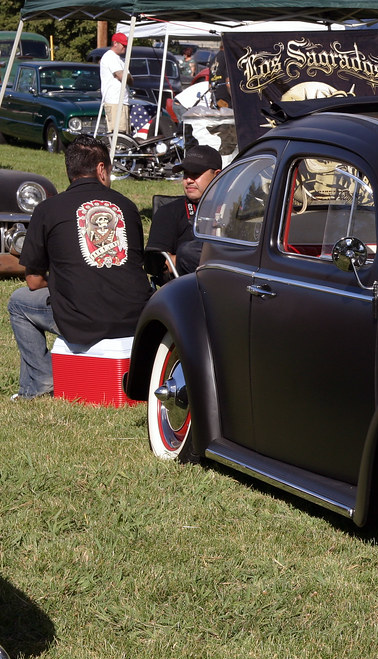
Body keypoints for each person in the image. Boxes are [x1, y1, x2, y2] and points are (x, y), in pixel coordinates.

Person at [7, 135, 151, 401]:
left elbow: (33, 282)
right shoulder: (128, 207)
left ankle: (38, 386)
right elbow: (132, 265)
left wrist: (63, 280)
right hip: (136, 317)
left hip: (85, 320)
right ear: (100, 169)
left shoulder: (48, 209)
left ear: (69, 170)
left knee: (18, 302)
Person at [146, 145, 222, 279]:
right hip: (186, 288)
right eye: (186, 174)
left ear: (217, 175)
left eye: (196, 174)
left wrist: (177, 259)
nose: (189, 180)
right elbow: (157, 264)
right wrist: (186, 257)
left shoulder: (233, 209)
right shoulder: (169, 212)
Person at [99, 32, 134, 134]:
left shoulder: (120, 60)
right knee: (118, 134)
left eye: (126, 45)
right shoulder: (110, 57)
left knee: (125, 133)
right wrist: (124, 76)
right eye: (123, 45)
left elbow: (130, 80)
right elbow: (122, 76)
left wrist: (125, 76)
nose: (125, 48)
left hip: (122, 101)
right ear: (115, 43)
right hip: (114, 101)